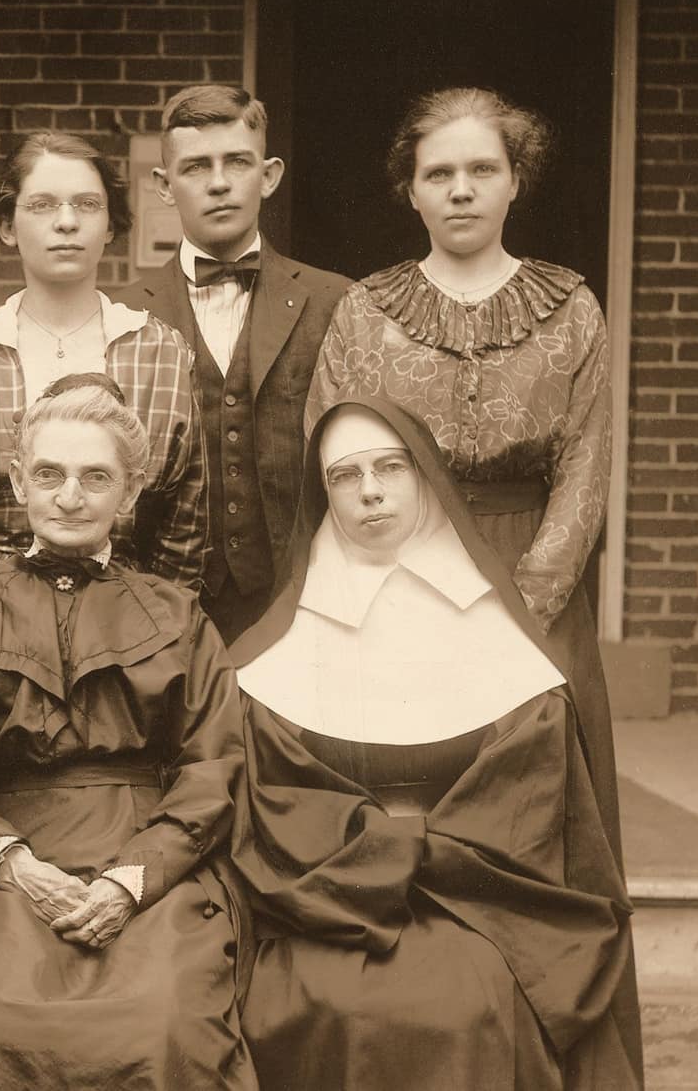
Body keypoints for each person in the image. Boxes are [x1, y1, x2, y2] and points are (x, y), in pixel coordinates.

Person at [228, 398, 641, 1090]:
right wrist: (375, 861)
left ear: (424, 477)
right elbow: (270, 807)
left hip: (483, 901)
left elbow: (525, 805)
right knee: (313, 999)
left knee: (466, 1000)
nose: (371, 491)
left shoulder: (502, 639)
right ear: (323, 493)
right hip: (325, 900)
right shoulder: (274, 653)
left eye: (391, 466)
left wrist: (410, 859)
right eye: (344, 475)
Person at [305, 87, 623, 855]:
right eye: (439, 173)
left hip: (530, 579)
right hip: (396, 578)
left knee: (534, 812)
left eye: (483, 168)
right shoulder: (364, 311)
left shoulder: (573, 308)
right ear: (411, 192)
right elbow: (333, 457)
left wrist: (520, 603)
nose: (461, 189)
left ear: (517, 180)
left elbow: (585, 466)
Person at [0, 374, 251, 1090]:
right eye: (48, 474)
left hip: (149, 858)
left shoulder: (176, 614)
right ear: (19, 483)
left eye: (95, 476)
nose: (70, 495)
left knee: (164, 1016)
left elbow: (213, 767)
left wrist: (130, 882)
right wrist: (8, 860)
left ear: (131, 493)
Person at [113, 86, 349, 642]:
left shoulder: (334, 302)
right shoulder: (121, 315)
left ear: (267, 176)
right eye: (196, 167)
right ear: (164, 186)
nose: (219, 183)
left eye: (237, 162)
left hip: (300, 599)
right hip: (158, 603)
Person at [0, 130, 207, 589]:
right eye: (42, 205)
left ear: (111, 225)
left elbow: (185, 521)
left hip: (126, 613)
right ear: (7, 227)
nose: (67, 222)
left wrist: (157, 621)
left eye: (87, 204)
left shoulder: (162, 352)